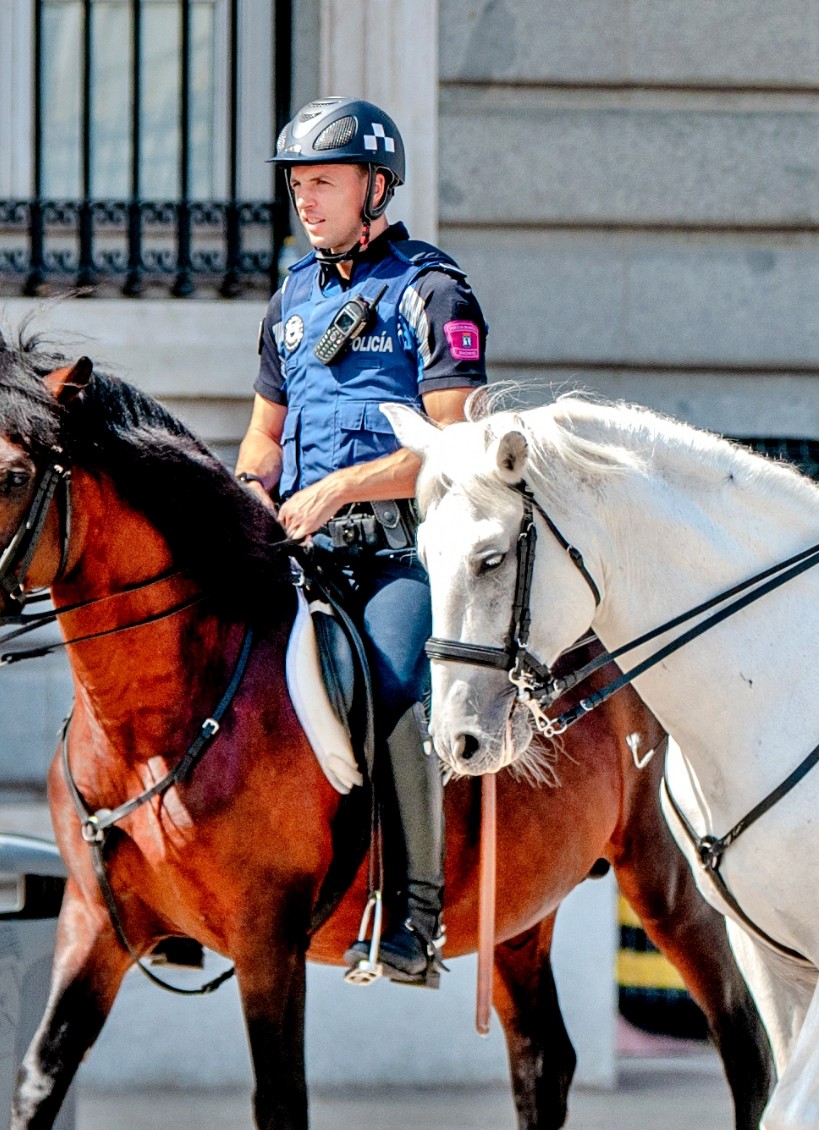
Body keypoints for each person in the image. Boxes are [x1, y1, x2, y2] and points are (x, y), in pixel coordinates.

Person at [234, 96, 489, 985]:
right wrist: (250, 491)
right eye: (297, 185)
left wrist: (341, 486)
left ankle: (417, 916)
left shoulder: (432, 290)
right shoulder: (291, 301)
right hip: (299, 550)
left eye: (323, 183)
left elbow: (454, 450)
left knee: (390, 687)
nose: (305, 201)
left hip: (396, 554)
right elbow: (264, 438)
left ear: (375, 187)